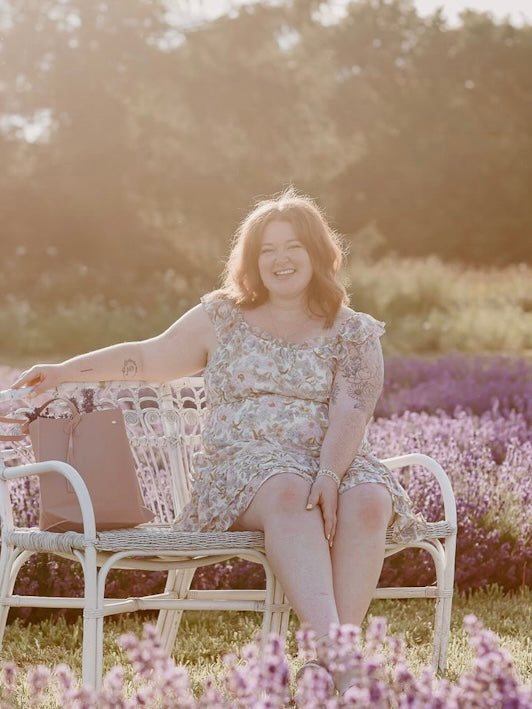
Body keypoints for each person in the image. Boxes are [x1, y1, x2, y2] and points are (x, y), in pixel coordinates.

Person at [13, 188, 425, 694]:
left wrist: (330, 474)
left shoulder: (353, 331)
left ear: (319, 253)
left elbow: (352, 410)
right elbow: (147, 358)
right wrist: (63, 371)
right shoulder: (222, 317)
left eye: (293, 246)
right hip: (243, 469)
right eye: (268, 250)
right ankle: (345, 664)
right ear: (252, 260)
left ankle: (321, 664)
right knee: (289, 492)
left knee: (368, 501)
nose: (281, 259)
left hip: (329, 461)